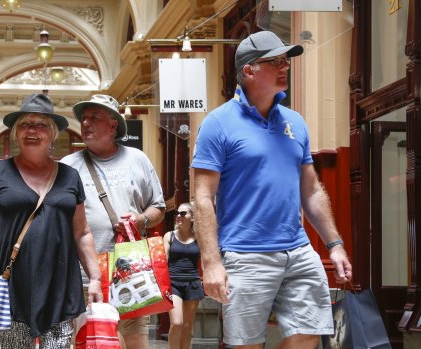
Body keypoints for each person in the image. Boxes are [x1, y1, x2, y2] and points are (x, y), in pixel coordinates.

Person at [191, 30, 353, 349]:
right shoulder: (218, 123)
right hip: (245, 253)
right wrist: (210, 262)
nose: (285, 67)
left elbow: (312, 189)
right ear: (249, 70)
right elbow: (202, 198)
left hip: (298, 249)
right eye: (276, 61)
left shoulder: (295, 122)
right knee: (246, 344)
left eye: (287, 61)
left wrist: (334, 243)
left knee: (310, 334)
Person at [0, 93, 102, 349]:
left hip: (59, 284)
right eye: (25, 125)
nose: (32, 131)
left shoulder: (69, 176)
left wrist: (94, 277)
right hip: (14, 285)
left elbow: (82, 232)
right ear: (16, 132)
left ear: (52, 134)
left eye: (40, 125)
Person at [61, 94, 166, 349]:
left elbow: (159, 208)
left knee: (136, 343)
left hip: (131, 274)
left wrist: (140, 220)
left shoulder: (137, 159)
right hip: (87, 278)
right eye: (84, 118)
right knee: (94, 342)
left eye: (94, 117)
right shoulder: (68, 166)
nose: (86, 123)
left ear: (113, 125)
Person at [163, 203, 204, 349]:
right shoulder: (169, 236)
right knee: (177, 322)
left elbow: (205, 261)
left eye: (183, 213)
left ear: (192, 217)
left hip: (193, 283)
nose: (179, 216)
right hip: (173, 283)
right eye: (177, 213)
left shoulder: (199, 237)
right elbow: (163, 261)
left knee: (187, 326)